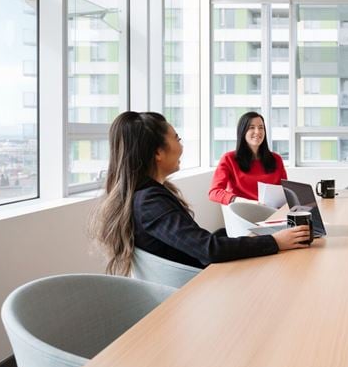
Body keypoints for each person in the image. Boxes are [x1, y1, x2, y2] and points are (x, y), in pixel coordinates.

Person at [89, 111, 309, 276]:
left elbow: (199, 243)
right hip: (199, 283)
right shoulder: (149, 202)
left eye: (261, 127)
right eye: (177, 138)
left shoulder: (149, 196)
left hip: (203, 272)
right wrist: (273, 241)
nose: (181, 146)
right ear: (158, 152)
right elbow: (208, 250)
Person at [208, 112, 287, 205]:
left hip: (272, 212)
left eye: (261, 127)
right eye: (252, 127)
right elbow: (214, 192)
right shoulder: (229, 159)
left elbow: (285, 192)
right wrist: (244, 202)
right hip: (244, 211)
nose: (257, 132)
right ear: (243, 131)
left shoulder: (276, 159)